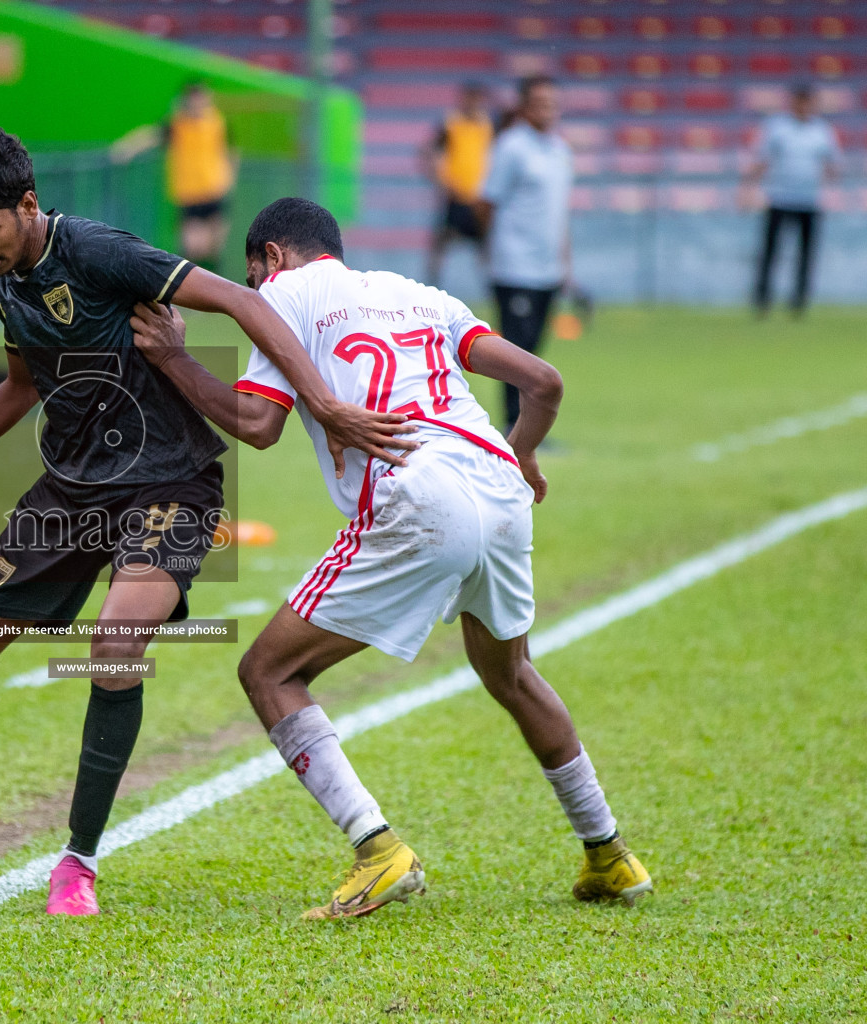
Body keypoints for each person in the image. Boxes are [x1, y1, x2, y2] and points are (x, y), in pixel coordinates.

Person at [0, 128, 413, 917]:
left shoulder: (101, 252)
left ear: (28, 206)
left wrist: (324, 404)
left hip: (171, 481)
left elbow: (243, 300)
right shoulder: (4, 274)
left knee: (115, 641)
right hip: (69, 490)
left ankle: (77, 862)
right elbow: (20, 383)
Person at [127, 197, 651, 919]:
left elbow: (257, 424)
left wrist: (173, 357)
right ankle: (610, 855)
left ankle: (377, 849)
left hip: (417, 490)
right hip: (499, 487)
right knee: (512, 672)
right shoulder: (420, 296)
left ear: (271, 258)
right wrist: (524, 453)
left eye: (253, 275)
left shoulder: (281, 293)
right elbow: (544, 381)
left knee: (268, 671)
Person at [478, 75, 573, 435]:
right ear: (523, 106)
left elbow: (559, 214)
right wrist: (491, 250)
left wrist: (566, 263)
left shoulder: (560, 150)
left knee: (534, 350)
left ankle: (525, 431)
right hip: (515, 266)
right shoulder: (511, 147)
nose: (547, 110)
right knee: (516, 353)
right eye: (539, 103)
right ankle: (512, 428)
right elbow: (487, 202)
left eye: (552, 103)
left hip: (548, 268)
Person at [113, 82, 238, 273]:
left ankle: (215, 289)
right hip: (189, 195)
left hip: (214, 191)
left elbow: (231, 151)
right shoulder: (177, 124)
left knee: (214, 246)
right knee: (194, 247)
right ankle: (193, 288)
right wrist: (127, 149)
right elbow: (151, 135)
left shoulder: (217, 123)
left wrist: (229, 178)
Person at [747, 83, 841, 317]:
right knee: (771, 252)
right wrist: (748, 188)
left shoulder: (822, 131)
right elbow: (762, 159)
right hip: (779, 198)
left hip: (809, 201)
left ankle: (799, 302)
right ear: (793, 103)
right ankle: (763, 299)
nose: (804, 106)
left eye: (808, 102)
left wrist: (832, 183)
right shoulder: (777, 128)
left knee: (806, 254)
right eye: (800, 101)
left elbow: (832, 164)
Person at [422, 82, 494, 288]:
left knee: (486, 249)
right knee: (440, 245)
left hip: (480, 200)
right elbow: (430, 152)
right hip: (455, 197)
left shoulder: (488, 125)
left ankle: (494, 290)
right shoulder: (451, 123)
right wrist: (441, 179)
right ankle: (431, 287)